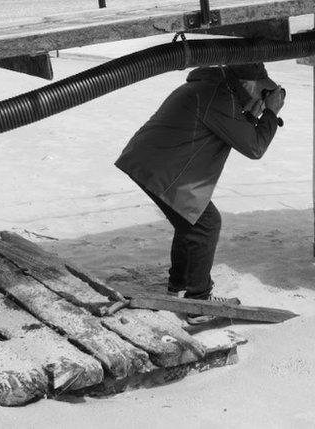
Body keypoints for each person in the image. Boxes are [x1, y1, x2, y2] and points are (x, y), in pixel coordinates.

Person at [115, 62, 285, 324]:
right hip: (160, 166)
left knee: (191, 222)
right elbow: (254, 147)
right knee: (206, 224)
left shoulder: (213, 89)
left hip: (152, 160)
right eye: (261, 91)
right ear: (248, 85)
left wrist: (251, 117)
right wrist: (271, 114)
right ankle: (198, 302)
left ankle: (178, 288)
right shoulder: (218, 97)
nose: (260, 97)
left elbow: (224, 130)